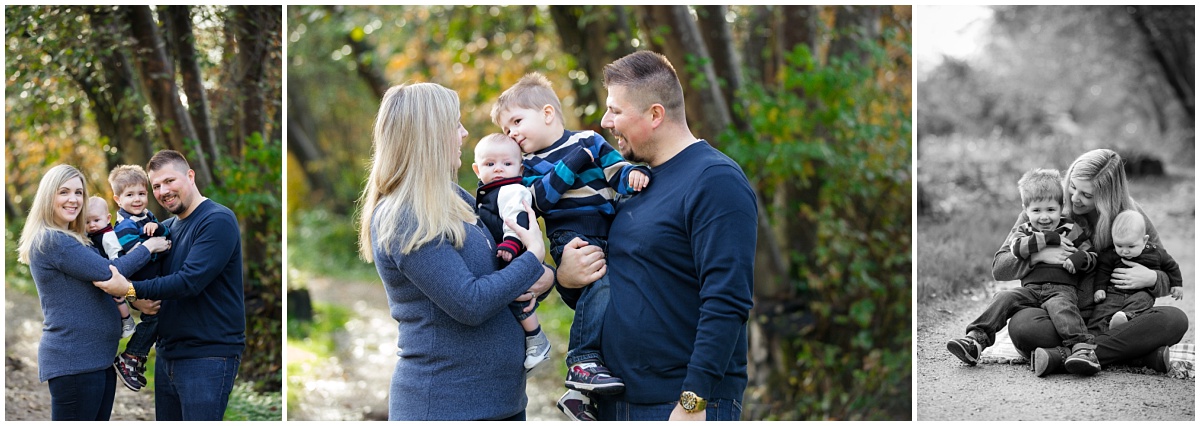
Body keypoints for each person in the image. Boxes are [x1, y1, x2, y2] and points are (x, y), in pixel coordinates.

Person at [556, 50, 756, 421]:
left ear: (655, 114)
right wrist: (568, 279)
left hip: (679, 404)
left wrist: (693, 399)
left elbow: (728, 299)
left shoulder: (715, 180)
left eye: (615, 110)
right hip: (618, 399)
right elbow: (619, 291)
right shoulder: (635, 183)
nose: (605, 121)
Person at [356, 82, 555, 420]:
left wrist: (545, 276)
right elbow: (471, 303)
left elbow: (502, 276)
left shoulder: (455, 199)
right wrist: (535, 258)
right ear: (430, 135)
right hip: (447, 404)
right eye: (456, 125)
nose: (464, 134)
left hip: (501, 403)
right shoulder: (404, 215)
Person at [491, 72, 651, 415]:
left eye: (517, 121)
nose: (512, 133)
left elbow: (615, 170)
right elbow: (540, 201)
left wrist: (633, 174)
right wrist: (575, 160)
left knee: (612, 306)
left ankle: (583, 397)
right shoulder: (527, 165)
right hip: (571, 236)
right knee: (601, 284)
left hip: (608, 232)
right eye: (506, 130)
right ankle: (580, 360)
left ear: (548, 113)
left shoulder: (591, 141)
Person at [996, 149, 1189, 376]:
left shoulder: (1130, 217)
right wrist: (1038, 256)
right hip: (1058, 317)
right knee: (1023, 326)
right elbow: (1000, 266)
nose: (1076, 198)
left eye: (1087, 195)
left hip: (1112, 318)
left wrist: (1153, 278)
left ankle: (1062, 356)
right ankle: (1136, 355)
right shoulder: (1047, 205)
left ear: (1109, 197)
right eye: (1073, 187)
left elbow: (1164, 265)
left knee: (1174, 320)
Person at [92, 150, 245, 420]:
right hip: (167, 354)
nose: (164, 191)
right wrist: (133, 299)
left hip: (208, 356)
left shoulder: (217, 220)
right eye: (157, 186)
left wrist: (128, 290)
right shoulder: (164, 227)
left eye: (170, 181)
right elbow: (146, 275)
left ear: (190, 175)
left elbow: (189, 282)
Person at [17, 164, 169, 420]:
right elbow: (111, 272)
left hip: (97, 359)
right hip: (76, 360)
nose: (74, 199)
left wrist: (134, 298)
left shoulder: (76, 238)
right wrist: (149, 247)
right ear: (48, 196)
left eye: (79, 192)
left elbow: (99, 287)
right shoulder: (55, 240)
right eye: (64, 192)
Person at [946, 169, 1100, 376]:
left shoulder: (1073, 229)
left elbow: (1091, 255)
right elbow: (1017, 249)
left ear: (1062, 207)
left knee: (1064, 310)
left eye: (1051, 210)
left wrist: (1078, 259)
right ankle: (976, 340)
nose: (1044, 217)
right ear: (1025, 210)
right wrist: (1048, 239)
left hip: (1061, 290)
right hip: (1030, 290)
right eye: (1036, 211)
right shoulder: (1024, 231)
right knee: (1004, 297)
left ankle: (1082, 350)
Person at [470, 133, 552, 372]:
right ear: (477, 169)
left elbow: (517, 219)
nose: (499, 170)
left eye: (507, 164)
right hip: (504, 251)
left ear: (520, 168)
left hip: (513, 250)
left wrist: (511, 244)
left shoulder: (512, 190)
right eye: (490, 164)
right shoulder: (487, 193)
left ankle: (536, 338)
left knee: (517, 295)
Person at [105, 164, 170, 393]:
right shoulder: (124, 226)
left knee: (157, 318)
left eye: (142, 194)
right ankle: (130, 357)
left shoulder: (147, 216)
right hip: (140, 280)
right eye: (130, 195)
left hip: (152, 279)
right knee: (152, 319)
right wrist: (155, 246)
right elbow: (137, 255)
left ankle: (135, 358)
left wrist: (158, 227)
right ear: (117, 199)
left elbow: (166, 235)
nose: (137, 199)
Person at [1088, 209, 1183, 333]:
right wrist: (1100, 288)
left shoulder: (1156, 253)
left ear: (1144, 240)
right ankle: (1093, 335)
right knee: (1102, 310)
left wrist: (1177, 285)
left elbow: (1172, 267)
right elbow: (1103, 271)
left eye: (1131, 246)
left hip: (1141, 292)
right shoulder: (1110, 254)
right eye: (1119, 246)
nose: (1125, 251)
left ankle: (1124, 319)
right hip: (1114, 292)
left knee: (1143, 301)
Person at [83, 196, 136, 339]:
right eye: (87, 222)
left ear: (107, 219)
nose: (92, 225)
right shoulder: (95, 234)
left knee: (119, 297)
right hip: (109, 271)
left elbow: (116, 253)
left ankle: (128, 321)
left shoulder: (108, 236)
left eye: (96, 220)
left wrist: (117, 271)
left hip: (117, 272)